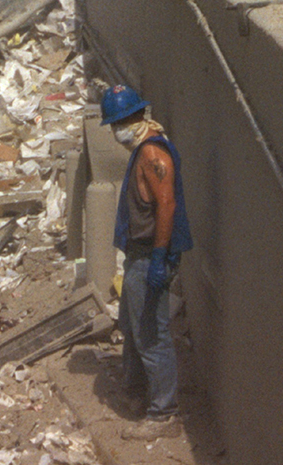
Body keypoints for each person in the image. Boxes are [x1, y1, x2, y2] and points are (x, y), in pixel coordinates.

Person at [101, 85, 191, 423]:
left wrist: (158, 257)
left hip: (150, 255)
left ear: (134, 118)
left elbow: (166, 206)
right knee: (132, 324)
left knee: (152, 335)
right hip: (138, 255)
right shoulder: (143, 150)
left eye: (117, 123)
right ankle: (136, 392)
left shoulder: (153, 156)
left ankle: (163, 412)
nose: (115, 132)